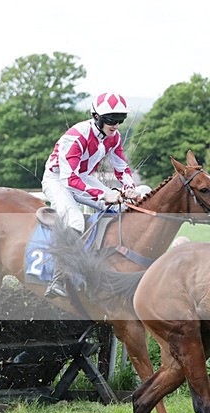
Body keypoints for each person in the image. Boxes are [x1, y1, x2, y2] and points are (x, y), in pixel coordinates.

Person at [41, 92, 140, 298]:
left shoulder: (114, 137)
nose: (116, 125)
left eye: (120, 120)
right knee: (75, 220)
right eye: (111, 120)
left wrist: (130, 187)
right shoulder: (76, 136)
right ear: (96, 117)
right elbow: (69, 180)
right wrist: (103, 195)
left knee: (122, 208)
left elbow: (121, 167)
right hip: (57, 179)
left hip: (82, 178)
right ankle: (58, 278)